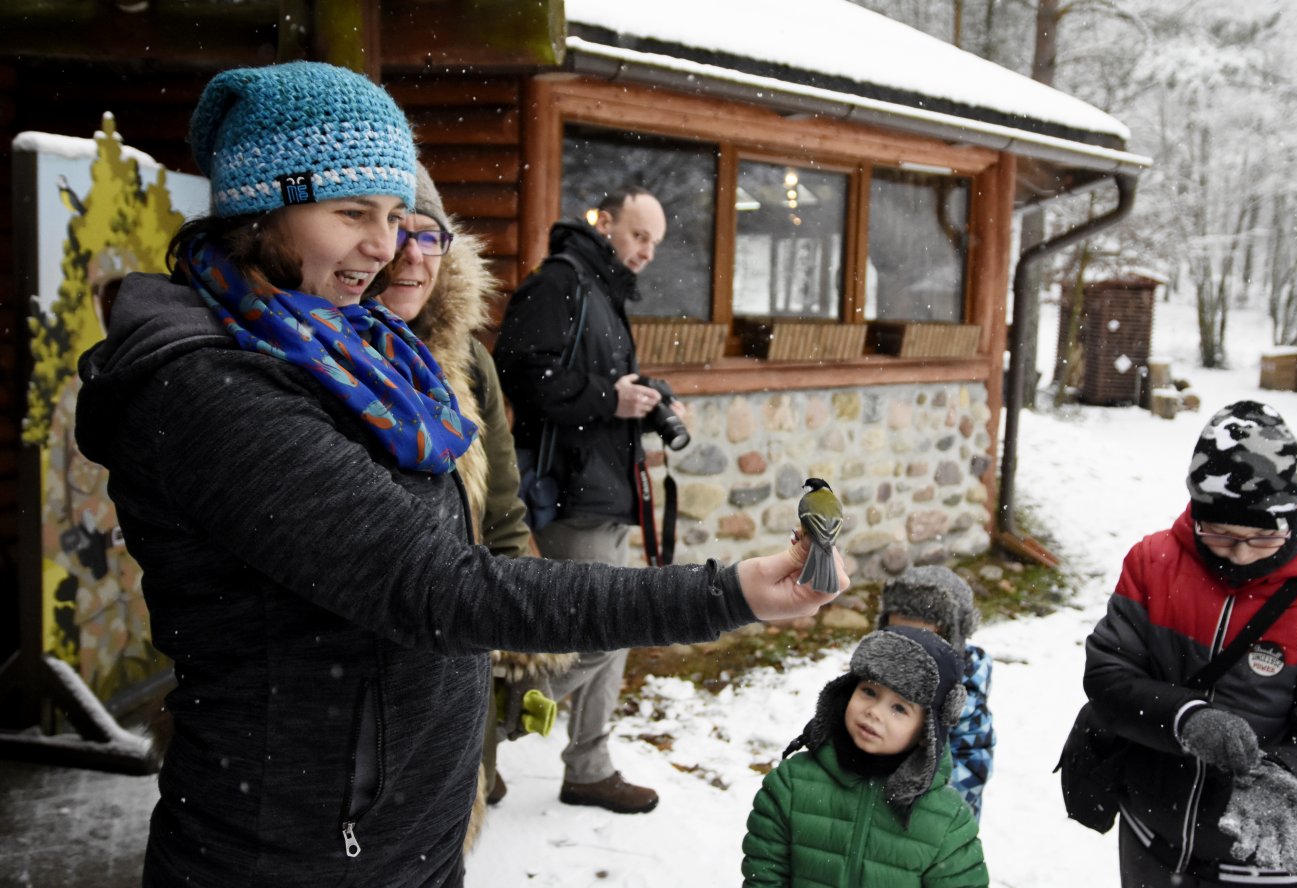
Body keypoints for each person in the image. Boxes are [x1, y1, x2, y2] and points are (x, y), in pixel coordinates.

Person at [73, 61, 846, 888]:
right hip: (297, 854)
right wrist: (724, 592)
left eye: (397, 215)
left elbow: (470, 541)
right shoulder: (212, 392)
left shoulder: (359, 353)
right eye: (352, 214)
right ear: (264, 212)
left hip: (405, 833)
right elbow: (438, 587)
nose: (387, 244)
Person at [1081, 400, 1297, 887]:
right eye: (1218, 532)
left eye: (1260, 537)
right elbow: (1108, 677)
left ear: (1292, 514)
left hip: (1264, 860)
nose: (1239, 553)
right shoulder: (1152, 562)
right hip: (1152, 834)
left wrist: (1285, 777)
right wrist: (1185, 718)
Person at [378, 163, 574, 830]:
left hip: (458, 639)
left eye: (428, 235)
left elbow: (502, 513)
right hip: (352, 668)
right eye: (393, 229)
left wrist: (516, 642)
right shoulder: (306, 355)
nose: (410, 254)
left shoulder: (467, 360)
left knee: (454, 810)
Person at [492, 184, 677, 813]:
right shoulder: (560, 283)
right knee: (590, 633)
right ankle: (487, 728)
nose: (647, 251)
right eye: (638, 235)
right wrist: (609, 398)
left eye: (655, 241)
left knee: (613, 633)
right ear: (605, 224)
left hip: (607, 489)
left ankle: (589, 767)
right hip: (570, 494)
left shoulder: (602, 291)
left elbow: (591, 383)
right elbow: (519, 370)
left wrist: (644, 401)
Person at [741, 626, 988, 887]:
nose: (874, 712)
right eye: (869, 691)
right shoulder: (791, 785)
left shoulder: (947, 821)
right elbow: (764, 876)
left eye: (899, 708)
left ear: (926, 732)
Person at [879, 565, 996, 821]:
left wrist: (918, 801)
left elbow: (972, 769)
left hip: (932, 829)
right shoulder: (875, 683)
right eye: (896, 636)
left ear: (951, 640)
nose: (908, 650)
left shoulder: (964, 697)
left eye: (922, 640)